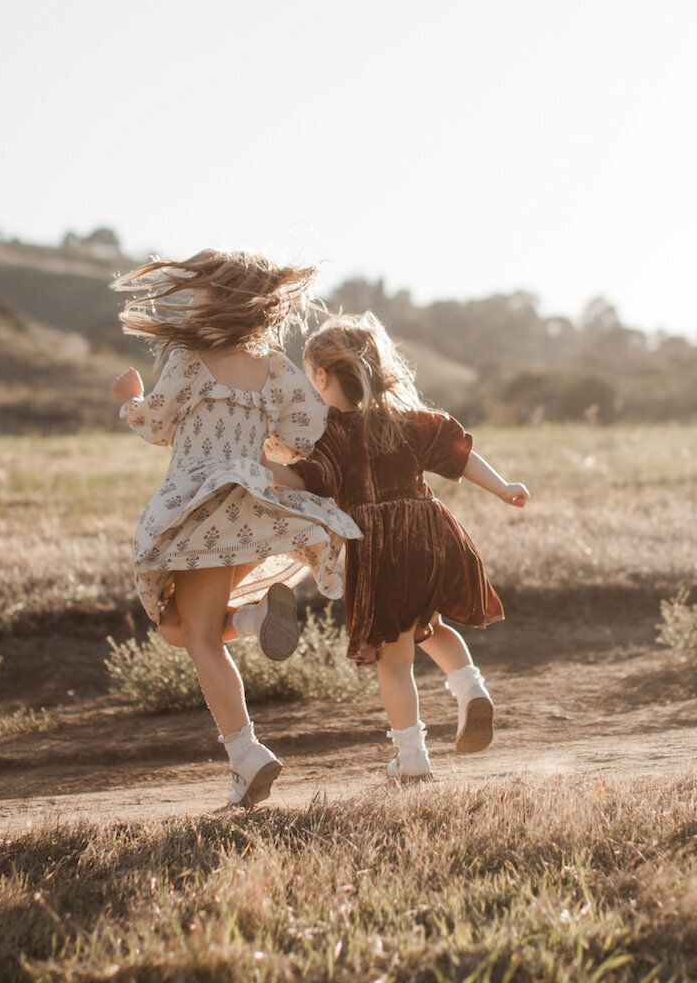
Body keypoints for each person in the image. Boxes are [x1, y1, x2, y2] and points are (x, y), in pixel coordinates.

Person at [109, 249, 361, 808]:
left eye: (201, 289)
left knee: (195, 638)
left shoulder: (190, 358)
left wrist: (130, 402)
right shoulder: (273, 365)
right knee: (177, 626)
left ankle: (247, 757)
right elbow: (305, 426)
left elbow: (158, 426)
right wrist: (260, 447)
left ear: (219, 298)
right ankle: (252, 618)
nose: (193, 298)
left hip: (202, 512)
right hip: (250, 509)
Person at [268, 312, 529, 783]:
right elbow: (461, 455)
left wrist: (264, 468)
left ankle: (411, 759)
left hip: (382, 549)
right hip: (431, 533)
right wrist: (504, 487)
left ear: (321, 377)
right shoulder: (408, 421)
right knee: (430, 625)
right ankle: (471, 689)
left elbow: (318, 481)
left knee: (395, 660)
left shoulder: (330, 431)